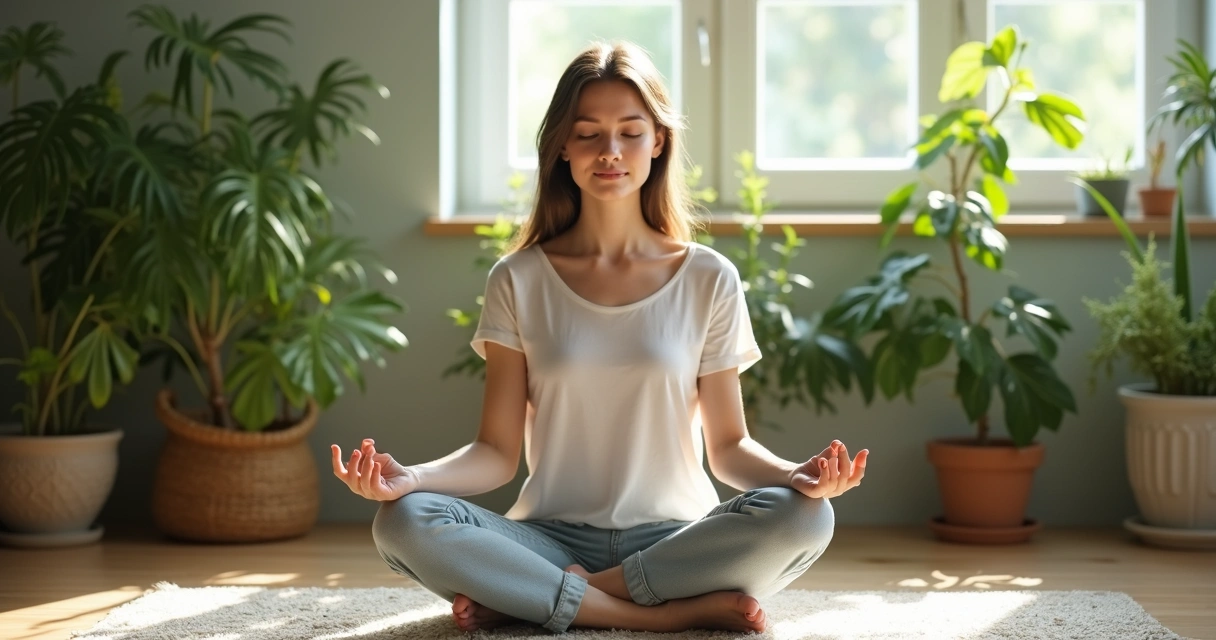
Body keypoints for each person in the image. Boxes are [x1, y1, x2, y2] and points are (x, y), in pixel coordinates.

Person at [331, 40, 868, 635]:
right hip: (545, 538)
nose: (610, 152)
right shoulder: (518, 278)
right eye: (588, 134)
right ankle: (665, 616)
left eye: (630, 132)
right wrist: (411, 479)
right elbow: (495, 454)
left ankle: (549, 598)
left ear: (658, 141)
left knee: (806, 519)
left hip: (675, 539)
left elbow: (729, 449)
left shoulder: (709, 277)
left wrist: (798, 477)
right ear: (562, 145)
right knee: (401, 521)